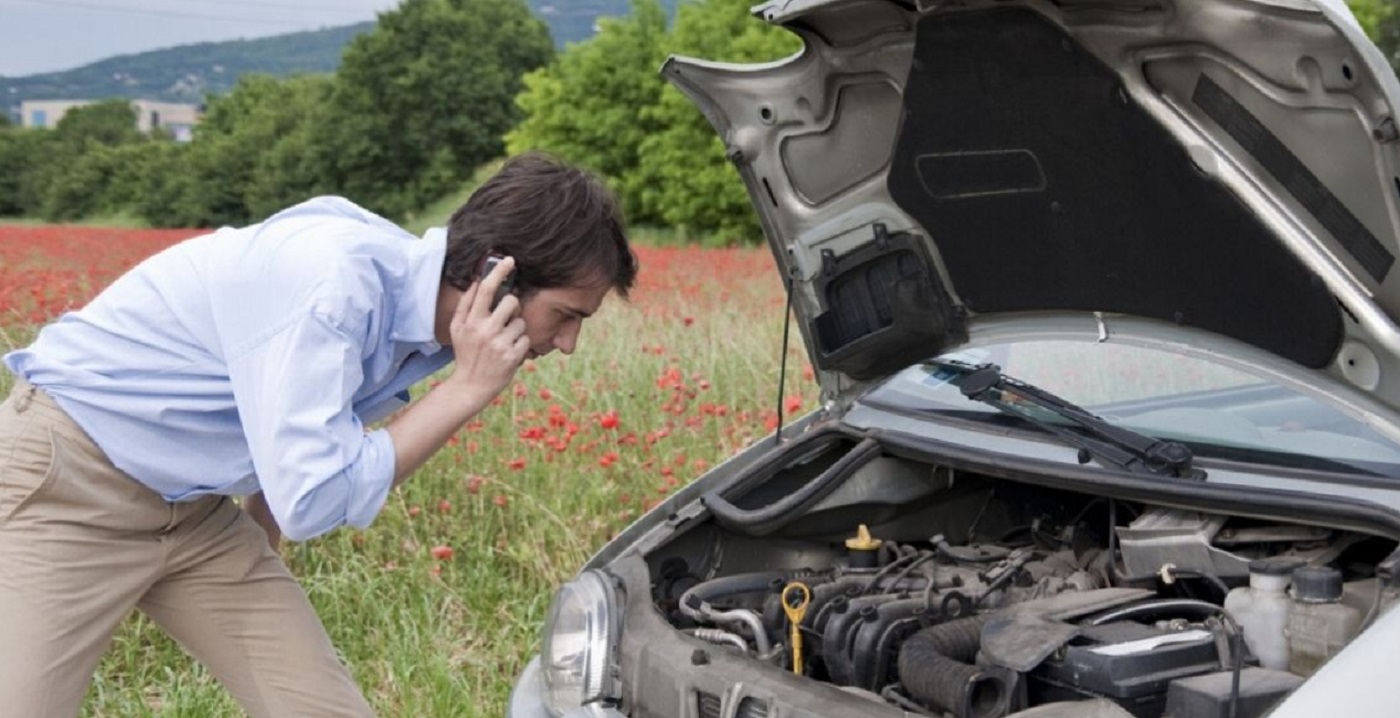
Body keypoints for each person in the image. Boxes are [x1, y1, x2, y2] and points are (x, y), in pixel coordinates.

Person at [0, 151, 637, 717]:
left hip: (191, 512)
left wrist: (259, 534)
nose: (567, 344)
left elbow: (297, 425)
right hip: (69, 484)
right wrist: (466, 391)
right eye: (565, 315)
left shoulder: (416, 314)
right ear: (494, 275)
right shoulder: (336, 286)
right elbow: (313, 500)